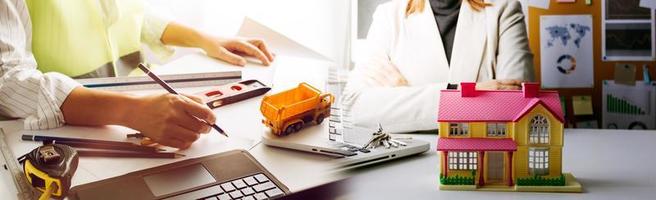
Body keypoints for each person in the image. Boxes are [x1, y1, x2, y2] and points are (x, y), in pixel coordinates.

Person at [0, 0, 273, 149]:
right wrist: (130, 111)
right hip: (68, 132)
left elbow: (125, 13)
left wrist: (202, 38)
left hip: (136, 110)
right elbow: (8, 81)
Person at [342, 0, 534, 133]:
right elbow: (354, 108)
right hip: (406, 166)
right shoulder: (388, 16)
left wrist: (404, 94)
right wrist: (462, 96)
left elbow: (517, 106)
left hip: (483, 164)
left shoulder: (504, 10)